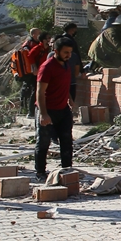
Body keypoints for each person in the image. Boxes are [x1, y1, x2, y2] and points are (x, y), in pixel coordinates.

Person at [34, 36, 76, 179]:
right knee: (43, 142)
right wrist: (43, 114)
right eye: (65, 52)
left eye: (70, 52)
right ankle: (40, 172)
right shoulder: (47, 67)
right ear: (56, 50)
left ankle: (67, 170)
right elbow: (40, 91)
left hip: (63, 109)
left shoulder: (67, 65)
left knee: (66, 140)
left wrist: (70, 99)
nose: (68, 55)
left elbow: (65, 85)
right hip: (47, 109)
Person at [62, 22, 83, 104]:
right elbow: (76, 54)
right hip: (70, 69)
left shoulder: (62, 38)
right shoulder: (69, 40)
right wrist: (81, 69)